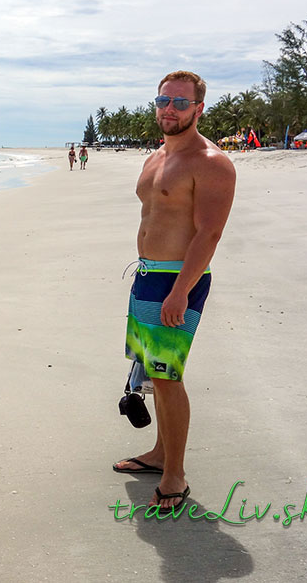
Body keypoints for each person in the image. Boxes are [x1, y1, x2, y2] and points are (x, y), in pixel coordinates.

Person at [111, 70, 236, 514]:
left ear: (198, 109)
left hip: (177, 281)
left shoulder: (211, 162)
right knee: (152, 370)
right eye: (163, 100)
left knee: (167, 376)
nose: (169, 108)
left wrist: (180, 292)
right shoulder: (155, 158)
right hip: (146, 276)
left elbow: (209, 234)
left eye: (180, 103)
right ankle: (160, 453)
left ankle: (175, 476)